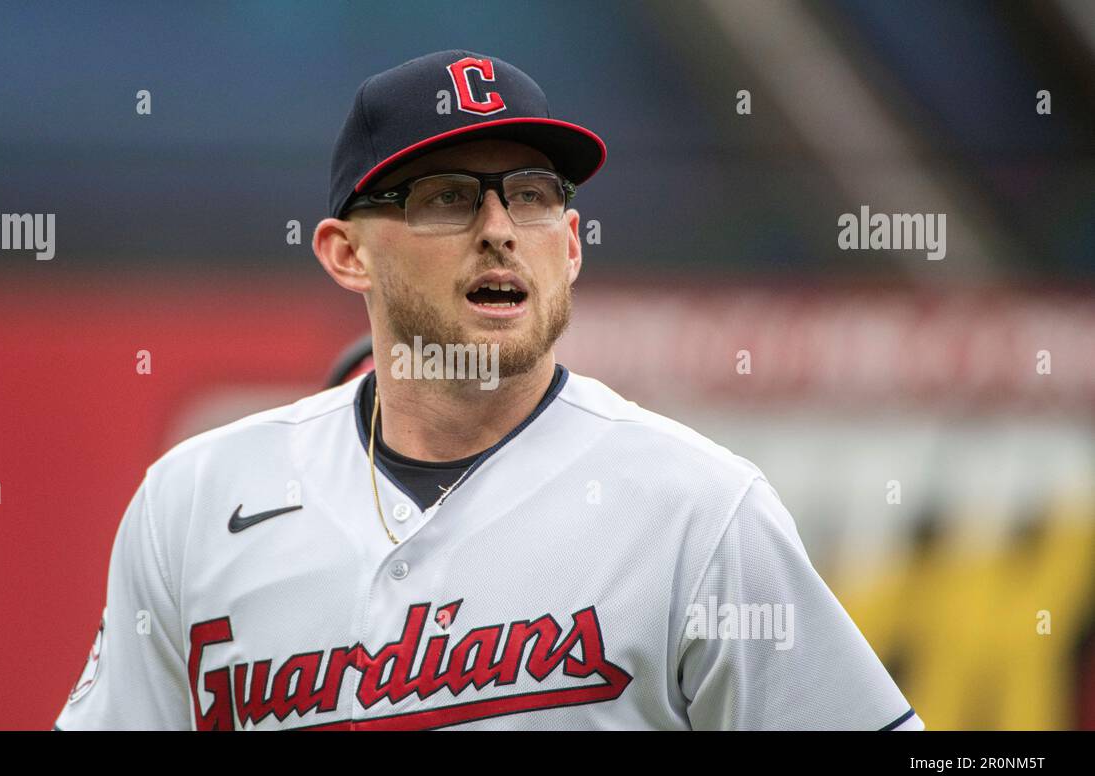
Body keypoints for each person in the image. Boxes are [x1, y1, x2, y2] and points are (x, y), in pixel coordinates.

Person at [55, 50, 922, 730]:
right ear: (346, 253)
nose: (501, 230)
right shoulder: (196, 500)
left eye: (533, 196)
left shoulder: (699, 510)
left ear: (572, 247)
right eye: (447, 197)